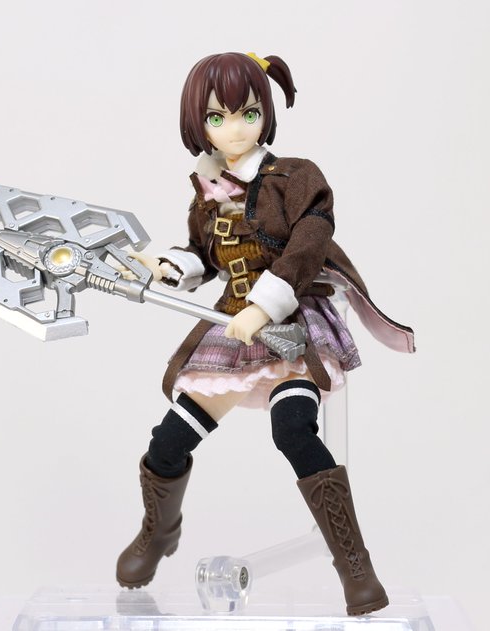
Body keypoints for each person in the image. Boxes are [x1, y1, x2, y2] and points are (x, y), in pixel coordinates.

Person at [116, 52, 415, 617]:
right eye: (217, 117)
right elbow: (204, 255)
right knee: (168, 442)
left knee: (294, 430)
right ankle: (159, 531)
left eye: (247, 113)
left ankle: (354, 565)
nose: (234, 129)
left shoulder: (297, 178)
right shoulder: (208, 190)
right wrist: (167, 266)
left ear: (265, 114)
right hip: (232, 327)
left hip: (291, 322)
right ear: (199, 124)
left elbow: (310, 242)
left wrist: (265, 304)